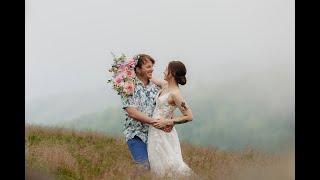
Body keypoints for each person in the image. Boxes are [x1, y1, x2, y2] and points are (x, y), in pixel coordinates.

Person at [120, 54, 173, 172]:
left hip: (154, 135)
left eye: (152, 66)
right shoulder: (128, 86)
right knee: (144, 166)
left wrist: (169, 121)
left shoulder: (155, 87)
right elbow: (131, 112)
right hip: (136, 134)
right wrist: (153, 121)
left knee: (160, 169)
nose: (152, 69)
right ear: (138, 69)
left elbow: (165, 103)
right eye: (148, 67)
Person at [148, 60, 195, 178]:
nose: (164, 71)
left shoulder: (175, 94)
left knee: (171, 163)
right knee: (157, 164)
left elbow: (189, 116)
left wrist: (169, 121)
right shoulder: (165, 85)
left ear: (172, 73)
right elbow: (150, 78)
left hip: (164, 132)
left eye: (166, 69)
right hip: (154, 131)